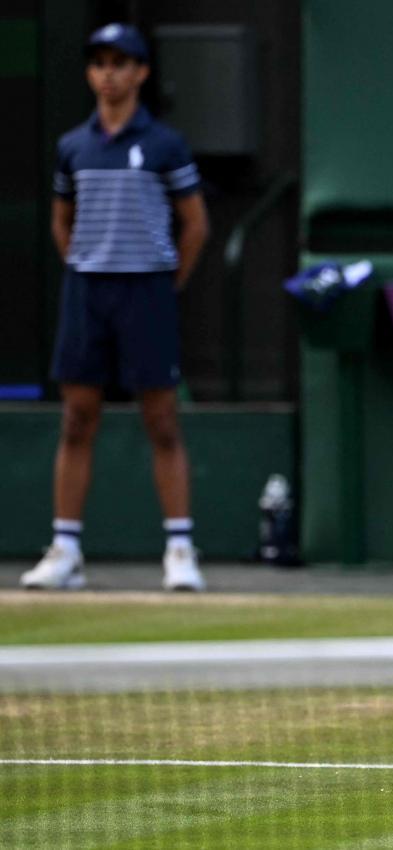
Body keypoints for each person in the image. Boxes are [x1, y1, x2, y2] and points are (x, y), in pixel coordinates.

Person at [20, 23, 209, 592]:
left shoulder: (165, 145)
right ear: (90, 73)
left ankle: (180, 549)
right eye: (99, 63)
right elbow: (62, 221)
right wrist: (87, 262)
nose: (109, 74)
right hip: (88, 293)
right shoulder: (72, 147)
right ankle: (66, 550)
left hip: (146, 293)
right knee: (77, 418)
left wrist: (165, 282)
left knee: (162, 420)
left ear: (141, 73)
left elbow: (195, 225)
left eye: (120, 63)